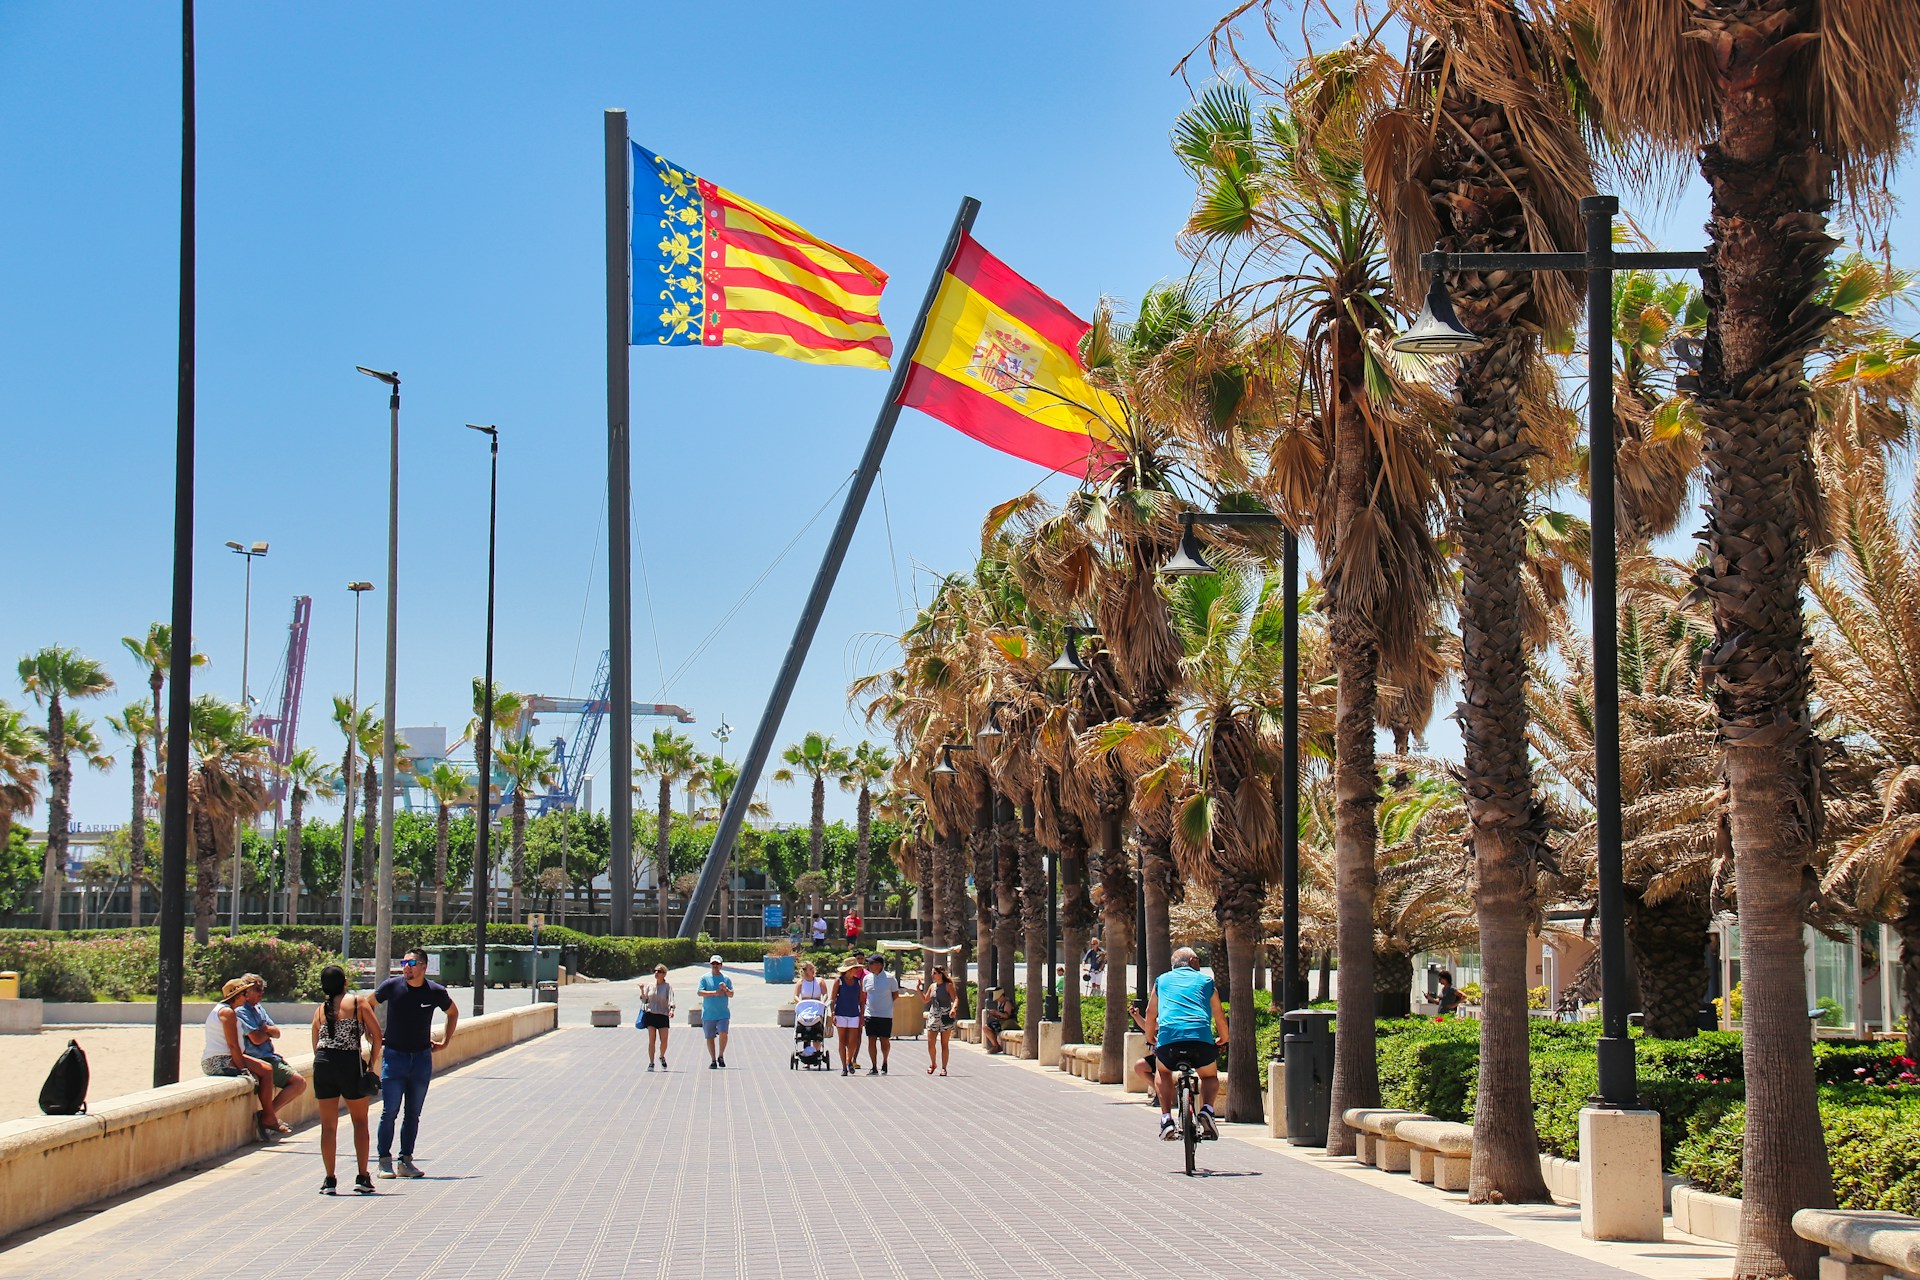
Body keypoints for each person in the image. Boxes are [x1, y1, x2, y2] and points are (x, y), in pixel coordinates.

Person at [373, 947, 458, 1179]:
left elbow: (453, 1013)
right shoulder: (392, 986)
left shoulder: (435, 991)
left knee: (413, 1113)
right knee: (389, 1111)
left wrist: (445, 1041)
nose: (406, 968)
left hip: (421, 1059)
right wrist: (371, 1034)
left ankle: (405, 1161)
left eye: (411, 964)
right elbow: (366, 1005)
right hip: (394, 1057)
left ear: (423, 967)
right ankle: (383, 1161)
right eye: (404, 963)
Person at [310, 963, 382, 1195]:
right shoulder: (357, 1002)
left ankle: (329, 1179)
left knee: (328, 1126)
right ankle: (362, 1176)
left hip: (323, 1063)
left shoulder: (320, 1009)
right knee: (359, 1121)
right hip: (349, 1062)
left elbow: (315, 1042)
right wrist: (370, 1064)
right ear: (345, 983)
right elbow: (377, 1036)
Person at [1145, 946, 1227, 1143]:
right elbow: (1218, 1014)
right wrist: (1224, 1038)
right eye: (1198, 959)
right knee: (1208, 1076)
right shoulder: (1206, 981)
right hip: (1200, 1040)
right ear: (1192, 961)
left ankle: (1166, 1119)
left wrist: (1150, 1038)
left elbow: (1150, 1013)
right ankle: (1207, 1109)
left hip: (1169, 1041)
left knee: (1163, 1072)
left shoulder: (1162, 980)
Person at [202, 976, 288, 1139]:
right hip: (219, 1060)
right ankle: (269, 1118)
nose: (246, 997)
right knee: (266, 1070)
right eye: (244, 994)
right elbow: (233, 1046)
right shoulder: (227, 1013)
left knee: (266, 1070)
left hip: (226, 1057)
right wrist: (244, 1069)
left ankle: (269, 1116)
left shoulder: (229, 1011)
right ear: (237, 996)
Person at [234, 973, 307, 1129]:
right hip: (259, 1058)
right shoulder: (242, 1011)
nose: (261, 993)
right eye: (256, 989)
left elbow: (277, 1032)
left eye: (262, 989)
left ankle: (267, 1115)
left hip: (270, 1056)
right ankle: (268, 1116)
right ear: (246, 992)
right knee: (298, 1082)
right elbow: (256, 1039)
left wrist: (265, 1030)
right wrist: (267, 1033)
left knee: (299, 1084)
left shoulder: (259, 1009)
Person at [860, 953, 900, 1075]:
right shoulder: (867, 978)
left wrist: (886, 1004)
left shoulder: (890, 978)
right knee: (871, 1040)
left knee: (884, 1040)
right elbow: (864, 995)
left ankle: (885, 1061)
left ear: (879, 965)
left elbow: (895, 995)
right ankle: (873, 1066)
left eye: (871, 963)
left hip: (885, 1015)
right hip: (870, 1014)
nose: (869, 966)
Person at [829, 959, 865, 1075]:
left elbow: (861, 1000)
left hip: (854, 1013)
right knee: (842, 1040)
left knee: (853, 1040)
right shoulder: (838, 981)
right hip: (841, 1013)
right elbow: (833, 998)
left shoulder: (858, 982)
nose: (856, 970)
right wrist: (833, 1013)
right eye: (854, 968)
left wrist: (862, 1015)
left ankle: (850, 1061)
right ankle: (844, 1066)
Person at [919, 964, 956, 1076]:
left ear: (940, 974)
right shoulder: (932, 986)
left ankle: (944, 1068)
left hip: (945, 1015)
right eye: (932, 973)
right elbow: (925, 1000)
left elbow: (956, 999)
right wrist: (919, 989)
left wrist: (954, 1008)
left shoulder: (948, 985)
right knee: (931, 1043)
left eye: (934, 973)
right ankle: (933, 1063)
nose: (932, 975)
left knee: (944, 1044)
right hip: (933, 1015)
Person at [637, 964, 674, 1070]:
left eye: (659, 971)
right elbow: (645, 1000)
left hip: (663, 1015)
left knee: (664, 1041)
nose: (656, 973)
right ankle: (651, 1062)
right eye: (655, 971)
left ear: (664, 974)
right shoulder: (650, 986)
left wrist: (671, 1009)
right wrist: (642, 990)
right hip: (651, 1014)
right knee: (652, 1039)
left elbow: (671, 999)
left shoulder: (667, 986)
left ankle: (662, 1056)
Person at [698, 955, 733, 1068]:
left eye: (717, 964)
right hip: (708, 1014)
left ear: (721, 965)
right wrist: (714, 993)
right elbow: (700, 992)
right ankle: (713, 1060)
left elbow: (731, 994)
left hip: (722, 1013)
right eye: (713, 964)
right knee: (710, 1037)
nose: (715, 966)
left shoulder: (726, 979)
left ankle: (721, 1055)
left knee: (723, 1033)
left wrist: (725, 989)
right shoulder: (705, 978)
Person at [982, 987, 1017, 1055]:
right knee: (986, 1027)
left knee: (987, 1027)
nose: (998, 1000)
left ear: (1002, 996)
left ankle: (996, 1046)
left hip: (1008, 1022)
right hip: (1002, 1022)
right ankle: (996, 1045)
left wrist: (996, 1012)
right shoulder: (1001, 1003)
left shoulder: (1007, 1003)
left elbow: (1007, 1016)